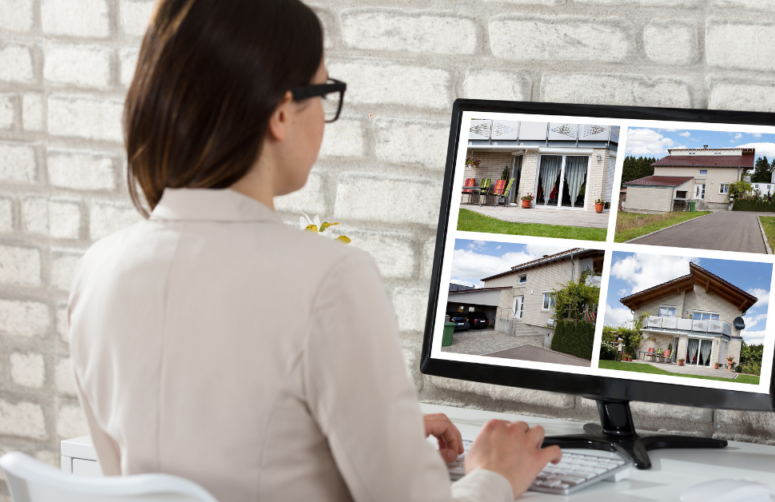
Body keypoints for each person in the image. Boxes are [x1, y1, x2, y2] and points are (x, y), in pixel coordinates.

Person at [67, 1, 561, 501]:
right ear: (281, 113)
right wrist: (495, 473)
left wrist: (372, 437)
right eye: (324, 92)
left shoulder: (98, 271)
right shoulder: (329, 277)